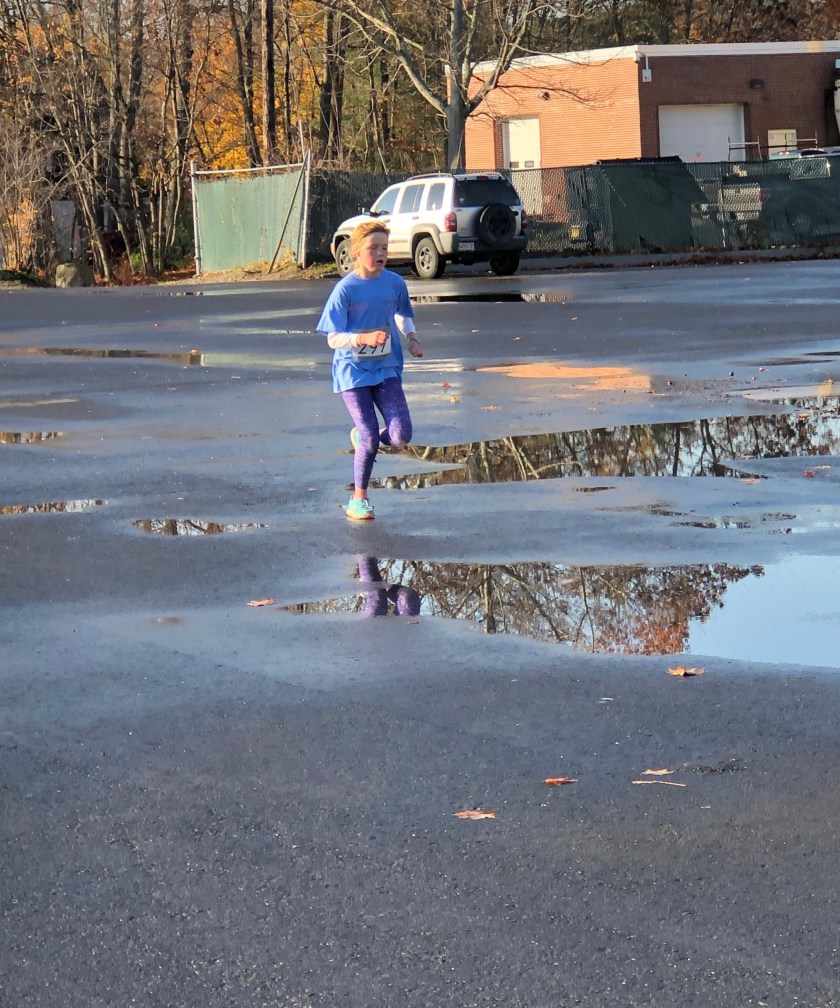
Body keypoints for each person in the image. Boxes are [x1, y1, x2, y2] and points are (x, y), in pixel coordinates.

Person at [316, 220, 423, 520]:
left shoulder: (395, 283)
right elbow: (333, 338)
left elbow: (401, 314)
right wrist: (361, 339)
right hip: (353, 373)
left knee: (401, 435)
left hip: (387, 367)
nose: (380, 254)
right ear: (356, 252)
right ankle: (358, 499)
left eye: (384, 248)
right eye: (373, 248)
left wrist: (411, 338)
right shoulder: (345, 290)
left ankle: (367, 439)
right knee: (370, 437)